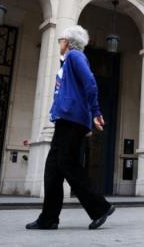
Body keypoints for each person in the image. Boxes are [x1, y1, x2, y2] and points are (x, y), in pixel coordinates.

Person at [26, 25, 115, 230]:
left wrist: (94, 112)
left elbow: (90, 82)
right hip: (67, 119)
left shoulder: (75, 56)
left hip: (71, 119)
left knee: (66, 164)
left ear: (67, 41)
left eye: (60, 39)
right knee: (54, 169)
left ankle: (99, 207)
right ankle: (48, 218)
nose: (59, 43)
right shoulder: (67, 61)